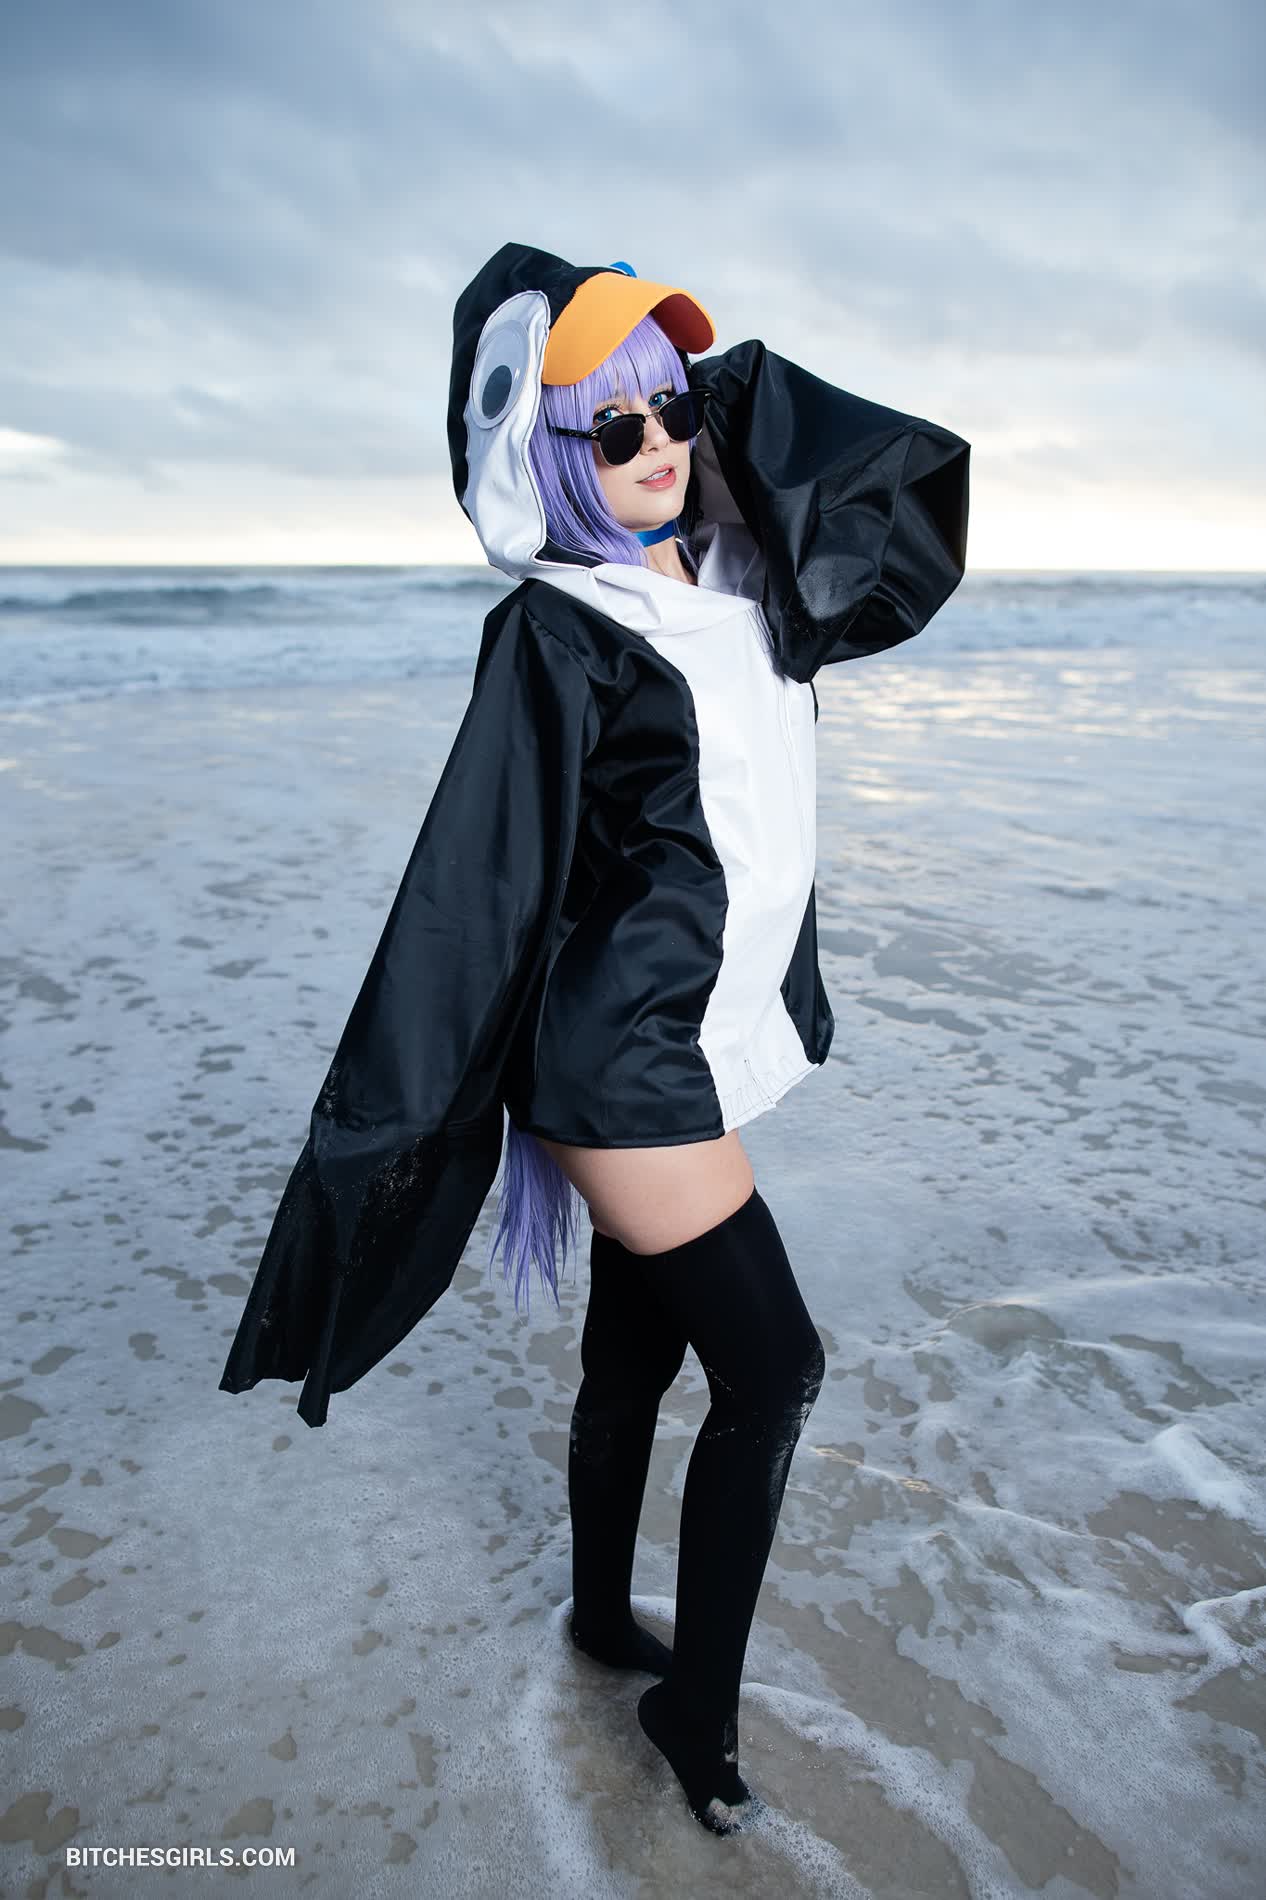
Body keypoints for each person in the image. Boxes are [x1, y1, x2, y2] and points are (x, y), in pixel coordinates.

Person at [219, 242, 970, 1837]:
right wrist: (390, 1130)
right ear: (547, 455)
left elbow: (891, 494)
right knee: (775, 1367)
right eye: (613, 428)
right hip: (622, 1060)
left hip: (687, 1035)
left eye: (675, 411)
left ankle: (591, 1613)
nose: (657, 448)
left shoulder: (750, 571)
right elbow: (471, 883)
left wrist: (723, 408)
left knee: (637, 1347)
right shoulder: (556, 629)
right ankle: (693, 1711)